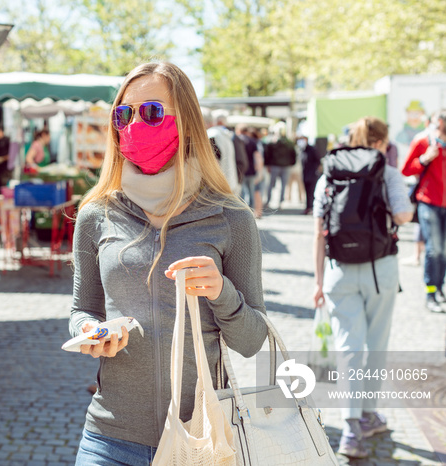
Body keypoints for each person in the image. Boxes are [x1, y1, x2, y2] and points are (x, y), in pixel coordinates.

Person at [69, 62, 268, 464]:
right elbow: (81, 309)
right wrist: (90, 330)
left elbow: (252, 341)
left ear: (187, 121)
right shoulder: (95, 215)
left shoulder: (231, 217)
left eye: (153, 112)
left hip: (203, 438)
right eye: (124, 114)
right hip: (110, 437)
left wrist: (222, 292)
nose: (135, 124)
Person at [313, 117, 412, 459]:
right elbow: (402, 216)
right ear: (383, 142)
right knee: (376, 344)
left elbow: (319, 231)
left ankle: (351, 428)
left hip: (338, 269)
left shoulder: (332, 171)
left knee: (348, 348)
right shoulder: (388, 172)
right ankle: (368, 413)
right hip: (380, 269)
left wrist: (318, 281)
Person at [401, 109, 446, 314]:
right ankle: (430, 292)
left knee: (444, 251)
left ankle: (439, 288)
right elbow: (406, 170)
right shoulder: (423, 141)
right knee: (433, 249)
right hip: (429, 202)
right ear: (439, 122)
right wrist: (424, 159)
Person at [264, 123, 296, 209]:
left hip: (278, 165)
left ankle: (272, 201)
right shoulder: (286, 142)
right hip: (280, 165)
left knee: (275, 184)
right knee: (279, 185)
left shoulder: (275, 142)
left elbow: (293, 154)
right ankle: (274, 202)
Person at [206, 111, 239, 194]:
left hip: (218, 185)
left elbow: (214, 160)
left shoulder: (211, 134)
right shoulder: (228, 136)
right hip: (230, 182)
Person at [298, 135, 321, 215]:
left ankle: (312, 208)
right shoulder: (302, 150)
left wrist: (316, 171)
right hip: (305, 174)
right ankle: (308, 207)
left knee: (312, 192)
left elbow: (318, 161)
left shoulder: (312, 149)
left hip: (312, 174)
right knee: (307, 192)